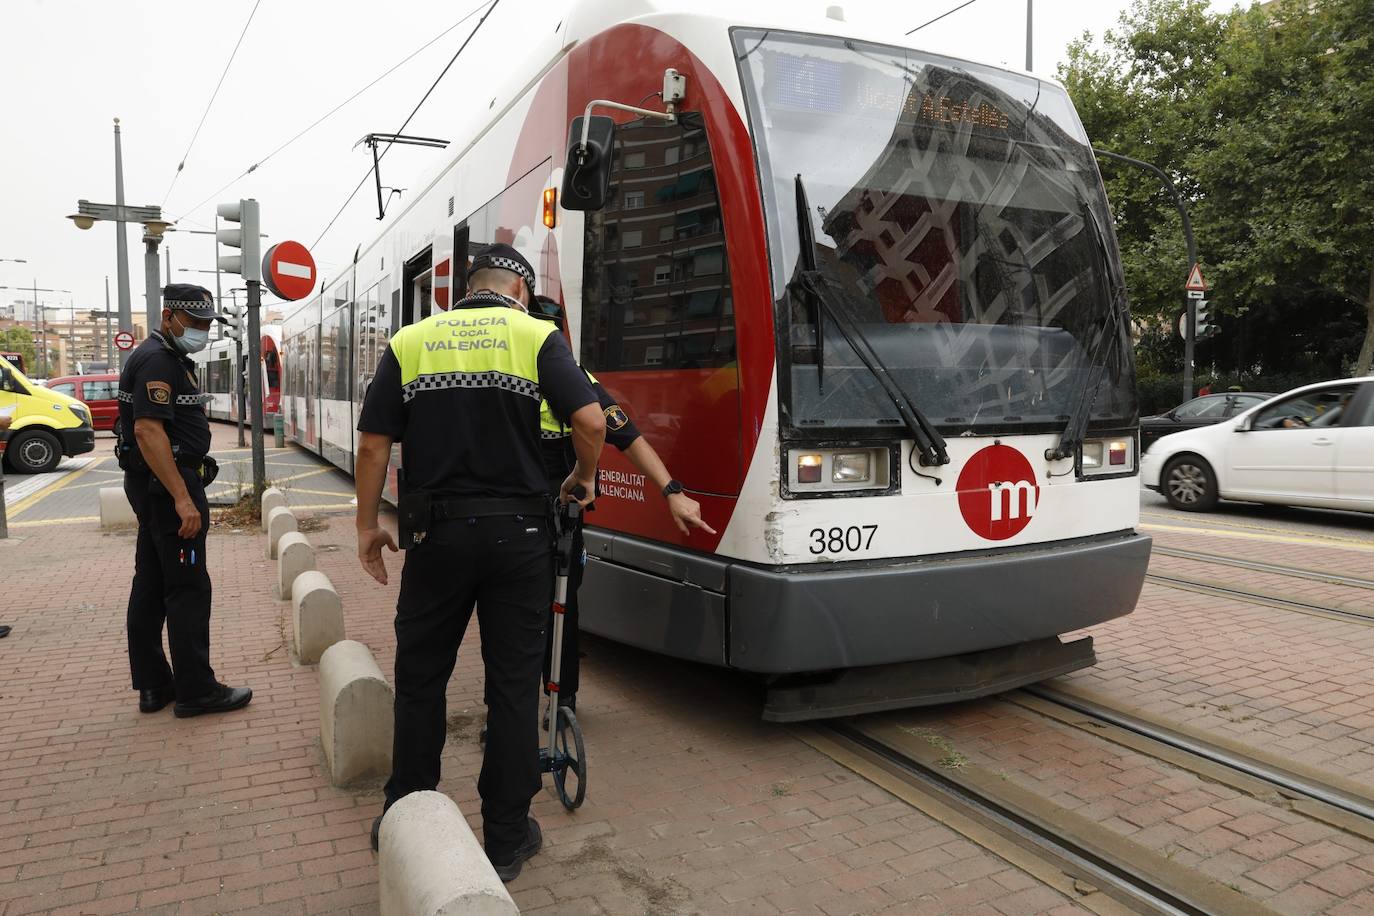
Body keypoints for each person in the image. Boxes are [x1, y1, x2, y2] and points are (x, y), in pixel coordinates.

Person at [355, 244, 604, 881]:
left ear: (463, 292)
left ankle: (407, 812)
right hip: (519, 535)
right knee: (513, 685)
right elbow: (591, 420)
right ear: (518, 292)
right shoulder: (535, 335)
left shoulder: (413, 340)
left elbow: (376, 443)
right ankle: (505, 835)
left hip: (435, 536)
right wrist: (580, 477)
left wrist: (365, 527)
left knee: (421, 677)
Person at [531, 296, 715, 715]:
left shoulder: (576, 379)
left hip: (563, 516)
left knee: (563, 604)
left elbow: (627, 436)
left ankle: (563, 700)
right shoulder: (506, 377)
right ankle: (515, 706)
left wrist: (673, 492)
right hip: (516, 514)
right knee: (519, 610)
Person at [117, 284, 251, 717]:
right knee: (188, 588)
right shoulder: (158, 360)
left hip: (155, 485)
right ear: (168, 316)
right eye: (193, 323)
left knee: (152, 584)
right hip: (168, 488)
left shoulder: (162, 356)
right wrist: (182, 498)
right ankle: (196, 691)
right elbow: (147, 431)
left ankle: (154, 686)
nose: (201, 332)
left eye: (206, 325)